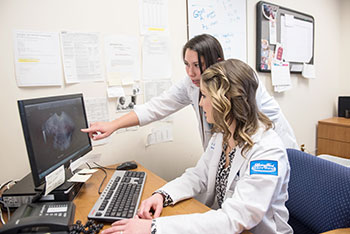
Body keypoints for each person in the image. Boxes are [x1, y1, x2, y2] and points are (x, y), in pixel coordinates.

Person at [100, 59, 293, 234]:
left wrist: (154, 228)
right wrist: (162, 195)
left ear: (224, 102)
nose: (200, 103)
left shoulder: (268, 151)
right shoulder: (223, 135)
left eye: (205, 96)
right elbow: (199, 175)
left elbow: (235, 218)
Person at [81, 34, 298, 150]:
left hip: (270, 150)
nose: (191, 73)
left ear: (217, 62)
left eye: (197, 65)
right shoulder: (190, 84)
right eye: (186, 64)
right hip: (231, 157)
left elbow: (249, 129)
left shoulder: (241, 82)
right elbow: (157, 107)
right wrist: (113, 125)